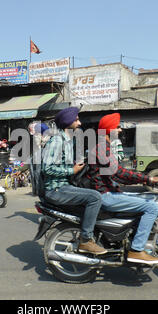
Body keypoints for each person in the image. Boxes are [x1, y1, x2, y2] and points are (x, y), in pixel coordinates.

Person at [86, 113, 158, 265]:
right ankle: (136, 250)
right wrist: (148, 179)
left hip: (110, 191)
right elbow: (119, 172)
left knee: (146, 198)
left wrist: (141, 180)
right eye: (117, 127)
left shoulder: (104, 146)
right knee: (152, 208)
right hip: (106, 195)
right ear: (109, 130)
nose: (120, 130)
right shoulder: (101, 148)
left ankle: (134, 239)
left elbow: (117, 175)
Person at [42, 107, 107, 255]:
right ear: (67, 122)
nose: (79, 123)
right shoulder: (57, 141)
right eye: (76, 119)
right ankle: (86, 240)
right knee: (94, 197)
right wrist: (72, 170)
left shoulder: (67, 140)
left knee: (95, 193)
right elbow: (46, 168)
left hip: (64, 186)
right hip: (56, 189)